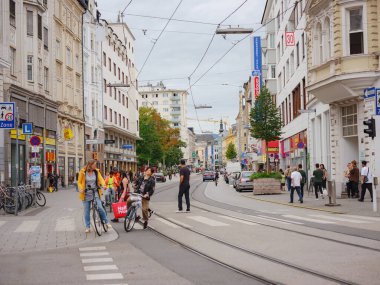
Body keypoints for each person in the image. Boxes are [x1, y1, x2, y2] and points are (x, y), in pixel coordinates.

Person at [77, 159, 111, 233]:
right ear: (90, 165)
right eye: (94, 164)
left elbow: (101, 179)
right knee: (86, 211)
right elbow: (79, 182)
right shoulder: (83, 172)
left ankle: (106, 222)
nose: (95, 166)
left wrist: (104, 185)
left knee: (100, 207)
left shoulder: (96, 171)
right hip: (86, 193)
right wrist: (81, 188)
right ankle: (87, 227)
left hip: (95, 192)